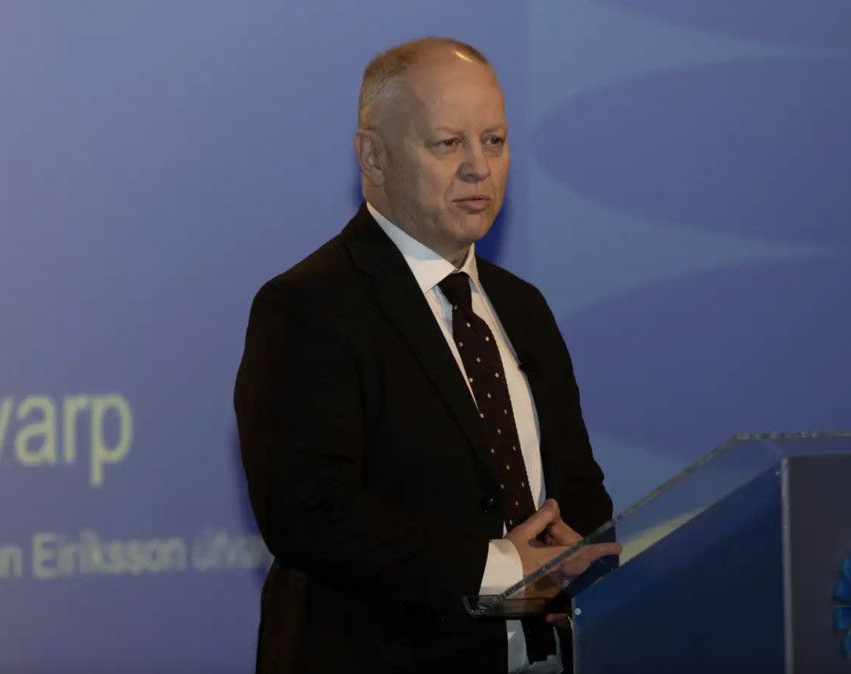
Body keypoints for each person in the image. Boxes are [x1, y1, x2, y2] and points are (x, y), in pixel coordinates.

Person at [235, 37, 615, 674]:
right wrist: (501, 568)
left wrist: (581, 560)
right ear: (374, 157)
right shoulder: (307, 307)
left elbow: (577, 488)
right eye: (448, 143)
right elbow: (310, 515)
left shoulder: (522, 306)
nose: (478, 168)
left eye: (494, 140)